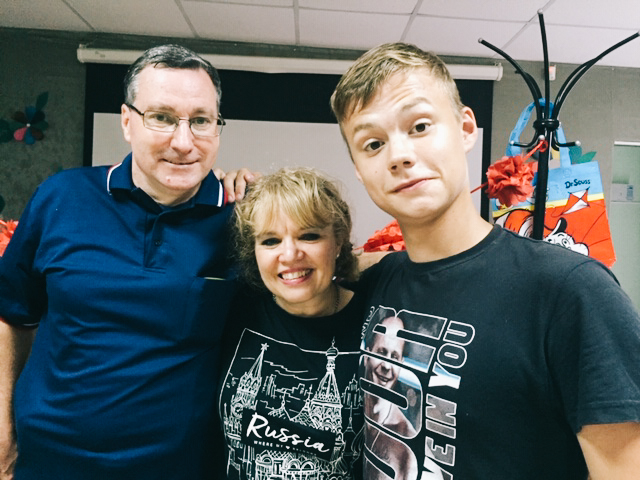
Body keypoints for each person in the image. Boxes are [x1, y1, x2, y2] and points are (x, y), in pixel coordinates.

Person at [330, 42, 640, 479]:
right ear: (359, 170)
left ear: (465, 128)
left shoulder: (571, 292)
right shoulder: (378, 283)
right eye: (373, 143)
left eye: (419, 126)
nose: (398, 155)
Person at [0, 44, 253, 480]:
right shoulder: (63, 196)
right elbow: (13, 313)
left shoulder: (244, 220)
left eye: (201, 121)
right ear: (126, 121)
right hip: (46, 461)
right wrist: (2, 425)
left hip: (178, 467)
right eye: (162, 117)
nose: (183, 141)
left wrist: (279, 197)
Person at [217, 167, 366, 480]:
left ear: (338, 241)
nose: (290, 254)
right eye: (270, 240)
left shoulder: (376, 322)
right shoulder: (233, 305)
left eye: (309, 235)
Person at [362, 314, 418, 480]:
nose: (386, 366)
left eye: (394, 357)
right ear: (366, 355)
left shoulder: (406, 445)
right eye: (381, 352)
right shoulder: (358, 410)